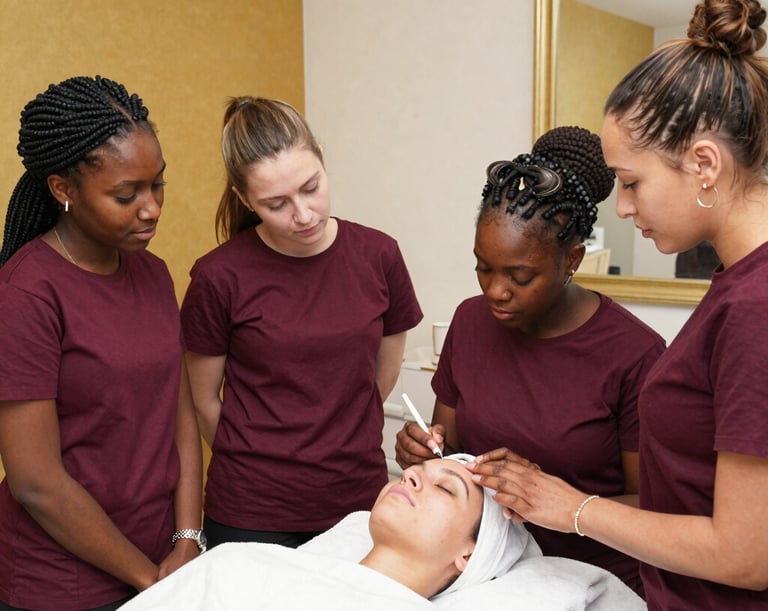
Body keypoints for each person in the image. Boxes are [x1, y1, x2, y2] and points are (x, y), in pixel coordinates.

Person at [470, 1, 768, 609]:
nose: (624, 209)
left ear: (705, 165)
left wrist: (572, 508)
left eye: (631, 182)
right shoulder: (737, 288)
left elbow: (746, 555)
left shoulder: (756, 306)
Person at [395, 125, 666, 596]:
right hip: (486, 577)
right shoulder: (470, 321)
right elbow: (450, 447)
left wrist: (561, 499)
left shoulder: (634, 354)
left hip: (589, 584)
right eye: (483, 266)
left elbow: (655, 509)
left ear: (573, 260)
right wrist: (423, 450)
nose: (495, 291)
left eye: (520, 275)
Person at [180, 96, 423, 549]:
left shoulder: (379, 256)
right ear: (243, 199)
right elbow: (203, 402)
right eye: (276, 204)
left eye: (311, 187)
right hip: (252, 511)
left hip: (358, 498)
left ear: (323, 162)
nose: (304, 214)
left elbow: (381, 373)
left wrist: (340, 428)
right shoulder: (218, 276)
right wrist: (260, 463)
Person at [0, 76, 203, 611]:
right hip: (62, 584)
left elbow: (178, 414)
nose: (152, 208)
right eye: (126, 194)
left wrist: (187, 539)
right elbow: (35, 482)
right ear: (63, 190)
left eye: (157, 184)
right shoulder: (26, 294)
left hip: (164, 559)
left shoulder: (155, 273)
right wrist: (146, 578)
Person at [118, 455, 539, 610]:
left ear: (469, 556)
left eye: (447, 488)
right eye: (418, 470)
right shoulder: (240, 563)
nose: (410, 476)